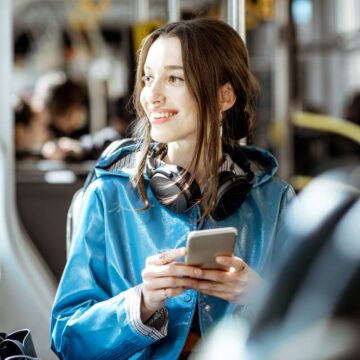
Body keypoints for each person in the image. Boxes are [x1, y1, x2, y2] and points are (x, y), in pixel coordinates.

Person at [50, 18, 295, 359]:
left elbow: (315, 331)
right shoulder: (108, 196)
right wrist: (141, 303)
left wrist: (260, 295)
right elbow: (66, 340)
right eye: (148, 78)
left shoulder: (275, 201)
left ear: (225, 96)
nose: (152, 95)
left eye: (174, 78)